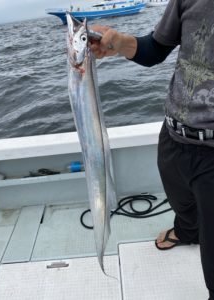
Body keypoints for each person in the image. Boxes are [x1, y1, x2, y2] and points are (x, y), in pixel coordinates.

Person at [90, 0, 214, 299]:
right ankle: (187, 232)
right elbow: (155, 49)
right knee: (180, 200)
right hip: (173, 133)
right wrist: (119, 43)